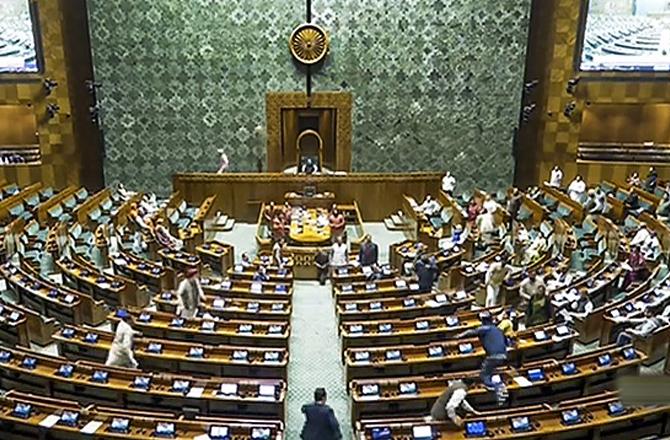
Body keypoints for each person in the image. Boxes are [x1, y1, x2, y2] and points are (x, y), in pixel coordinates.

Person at [456, 312, 508, 403]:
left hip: (493, 357)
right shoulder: (498, 329)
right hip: (503, 355)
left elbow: (471, 332)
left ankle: (497, 388)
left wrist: (459, 336)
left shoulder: (485, 328)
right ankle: (498, 384)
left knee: (484, 375)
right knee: (491, 370)